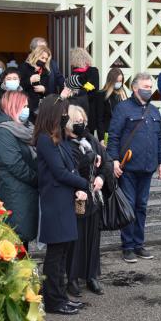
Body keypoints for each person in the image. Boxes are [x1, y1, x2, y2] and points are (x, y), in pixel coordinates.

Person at [33, 94, 88, 315]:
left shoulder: (59, 139)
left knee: (62, 253)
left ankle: (61, 296)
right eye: (64, 114)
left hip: (63, 201)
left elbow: (70, 167)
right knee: (55, 256)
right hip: (55, 204)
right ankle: (53, 300)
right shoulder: (45, 139)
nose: (67, 117)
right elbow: (59, 172)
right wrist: (83, 182)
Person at [107, 73, 161, 263]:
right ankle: (128, 247)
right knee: (129, 207)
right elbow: (113, 136)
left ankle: (139, 244)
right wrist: (114, 160)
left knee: (141, 207)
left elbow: (160, 139)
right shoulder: (123, 108)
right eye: (145, 86)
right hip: (128, 169)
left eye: (150, 86)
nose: (149, 89)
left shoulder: (154, 111)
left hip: (148, 168)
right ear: (134, 88)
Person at [65, 105, 111, 297]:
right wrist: (91, 157)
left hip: (93, 196)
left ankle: (92, 275)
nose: (80, 124)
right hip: (74, 196)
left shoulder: (91, 139)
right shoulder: (64, 143)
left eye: (82, 120)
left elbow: (106, 162)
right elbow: (69, 168)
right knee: (75, 239)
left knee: (93, 238)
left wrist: (101, 177)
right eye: (76, 121)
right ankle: (72, 278)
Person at [0, 91, 38, 249]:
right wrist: (37, 178)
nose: (27, 109)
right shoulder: (4, 131)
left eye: (27, 106)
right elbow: (15, 164)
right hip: (15, 190)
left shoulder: (27, 128)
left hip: (26, 190)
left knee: (23, 234)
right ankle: (20, 272)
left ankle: (25, 271)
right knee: (16, 235)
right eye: (23, 106)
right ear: (13, 107)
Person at [20, 46, 63, 122]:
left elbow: (50, 90)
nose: (44, 61)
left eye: (46, 59)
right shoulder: (24, 67)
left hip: (41, 107)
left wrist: (44, 89)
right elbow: (19, 86)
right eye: (42, 57)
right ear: (36, 55)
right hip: (26, 105)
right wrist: (30, 80)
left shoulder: (46, 71)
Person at [65, 48, 100, 135]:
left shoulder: (93, 71)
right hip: (75, 107)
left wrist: (79, 90)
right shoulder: (75, 73)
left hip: (89, 107)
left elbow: (92, 87)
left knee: (88, 134)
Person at [96, 68, 128, 146]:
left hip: (123, 133)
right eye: (117, 81)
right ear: (111, 81)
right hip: (109, 133)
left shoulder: (123, 94)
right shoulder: (102, 95)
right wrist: (102, 138)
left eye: (120, 81)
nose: (119, 83)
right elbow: (99, 119)